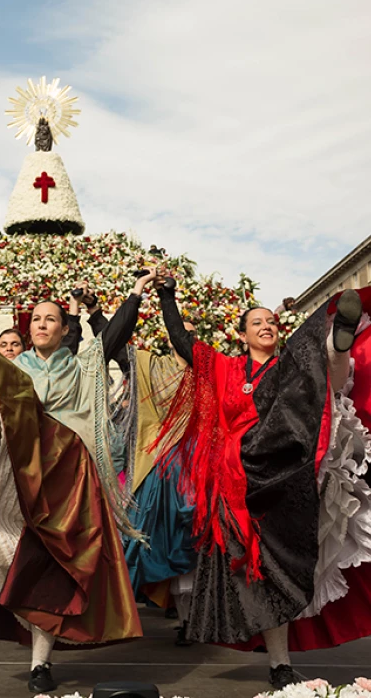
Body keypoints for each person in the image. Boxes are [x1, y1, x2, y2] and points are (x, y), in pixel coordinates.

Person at [0, 271, 160, 694]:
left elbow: (113, 336)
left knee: (51, 570)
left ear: (64, 330)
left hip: (68, 480)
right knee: (13, 560)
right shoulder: (10, 369)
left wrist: (134, 294)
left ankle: (40, 663)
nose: (41, 324)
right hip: (20, 476)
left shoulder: (83, 367)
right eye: (36, 319)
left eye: (51, 319)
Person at [155, 280, 371, 688]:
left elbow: (323, 396)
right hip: (237, 484)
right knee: (255, 573)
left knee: (282, 568)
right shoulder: (225, 369)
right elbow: (184, 342)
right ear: (242, 335)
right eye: (257, 322)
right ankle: (277, 660)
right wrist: (168, 298)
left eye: (271, 321)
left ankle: (337, 340)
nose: (266, 326)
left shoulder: (291, 365)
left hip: (286, 481)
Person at [74, 282, 198, 640]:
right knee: (134, 540)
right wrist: (96, 314)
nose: (187, 340)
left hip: (193, 469)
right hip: (150, 469)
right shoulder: (151, 367)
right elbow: (116, 351)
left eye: (192, 336)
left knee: (189, 544)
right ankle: (112, 613)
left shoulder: (208, 374)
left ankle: (189, 621)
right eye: (181, 334)